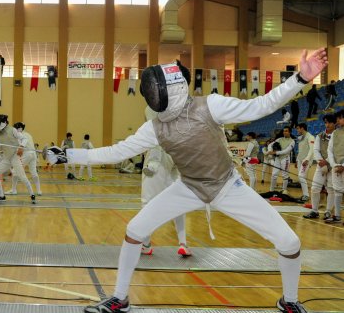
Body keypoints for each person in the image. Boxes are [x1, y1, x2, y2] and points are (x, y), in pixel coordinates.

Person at [47, 48, 326, 313]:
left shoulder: (211, 106)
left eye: (156, 89)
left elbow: (261, 105)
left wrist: (299, 79)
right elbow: (118, 151)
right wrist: (66, 156)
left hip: (228, 186)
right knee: (135, 230)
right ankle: (120, 298)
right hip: (188, 186)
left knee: (289, 243)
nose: (152, 94)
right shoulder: (155, 127)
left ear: (174, 87)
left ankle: (289, 301)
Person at [140, 107, 190, 257]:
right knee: (178, 203)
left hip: (158, 157)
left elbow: (156, 131)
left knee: (147, 202)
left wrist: (153, 160)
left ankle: (146, 244)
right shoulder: (182, 107)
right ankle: (183, 244)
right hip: (178, 155)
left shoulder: (152, 106)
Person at [0, 115, 35, 203]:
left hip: (14, 157)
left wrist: (21, 147)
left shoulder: (12, 129)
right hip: (6, 159)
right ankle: (1, 195)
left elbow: (24, 138)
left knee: (22, 176)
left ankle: (32, 194)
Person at [304, 114, 336, 219]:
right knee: (314, 188)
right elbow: (316, 150)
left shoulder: (338, 136)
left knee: (331, 189)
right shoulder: (319, 135)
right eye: (326, 122)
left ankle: (328, 211)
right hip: (320, 165)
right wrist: (320, 161)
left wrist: (326, 161)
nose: (327, 125)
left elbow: (337, 151)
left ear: (334, 123)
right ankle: (314, 211)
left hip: (333, 165)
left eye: (330, 122)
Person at [6, 122, 42, 196]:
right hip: (33, 154)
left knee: (15, 171)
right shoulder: (28, 134)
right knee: (34, 173)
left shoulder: (20, 135)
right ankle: (39, 191)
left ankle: (13, 190)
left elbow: (19, 148)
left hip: (27, 154)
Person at [326, 109, 344, 224]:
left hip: (342, 166)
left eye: (339, 118)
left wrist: (343, 165)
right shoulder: (335, 133)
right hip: (336, 166)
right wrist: (334, 165)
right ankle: (337, 216)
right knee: (337, 190)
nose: (337, 121)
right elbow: (330, 150)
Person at [268, 127, 295, 193]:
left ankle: (284, 190)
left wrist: (275, 152)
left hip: (285, 159)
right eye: (283, 131)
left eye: (286, 131)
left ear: (290, 132)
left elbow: (286, 151)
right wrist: (270, 151)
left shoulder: (292, 141)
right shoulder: (279, 139)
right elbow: (270, 145)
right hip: (277, 158)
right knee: (274, 174)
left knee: (285, 175)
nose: (284, 132)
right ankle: (271, 190)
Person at [295, 123, 315, 201]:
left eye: (298, 128)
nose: (297, 130)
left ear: (302, 128)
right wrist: (297, 160)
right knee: (301, 177)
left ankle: (306, 195)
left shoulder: (310, 137)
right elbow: (300, 151)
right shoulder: (301, 138)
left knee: (301, 177)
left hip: (305, 160)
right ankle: (304, 194)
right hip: (300, 160)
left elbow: (312, 149)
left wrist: (307, 159)